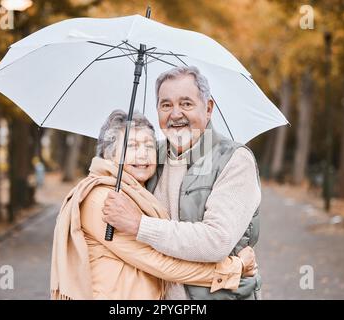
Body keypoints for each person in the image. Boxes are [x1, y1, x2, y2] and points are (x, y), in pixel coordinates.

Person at [50, 110, 257, 300]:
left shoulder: (135, 194)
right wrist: (234, 268)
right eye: (132, 146)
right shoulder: (104, 200)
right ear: (109, 154)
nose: (142, 154)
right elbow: (160, 262)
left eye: (149, 145)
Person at [103, 66, 262, 300]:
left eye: (186, 104)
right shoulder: (148, 157)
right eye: (166, 105)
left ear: (208, 109)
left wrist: (140, 226)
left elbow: (216, 241)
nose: (175, 114)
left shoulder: (234, 160)